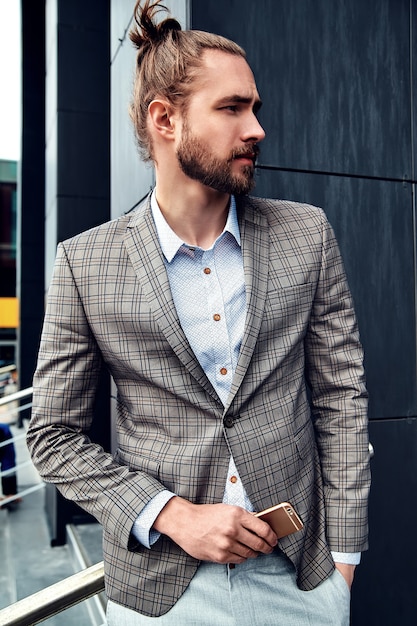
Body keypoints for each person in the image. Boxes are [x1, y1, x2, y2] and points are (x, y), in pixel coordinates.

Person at [27, 1, 371, 624]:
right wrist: (169, 514)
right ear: (165, 119)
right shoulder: (86, 264)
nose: (256, 128)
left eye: (255, 108)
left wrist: (342, 564)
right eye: (232, 108)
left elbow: (340, 397)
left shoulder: (307, 235)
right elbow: (53, 437)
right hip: (162, 590)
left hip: (301, 578)